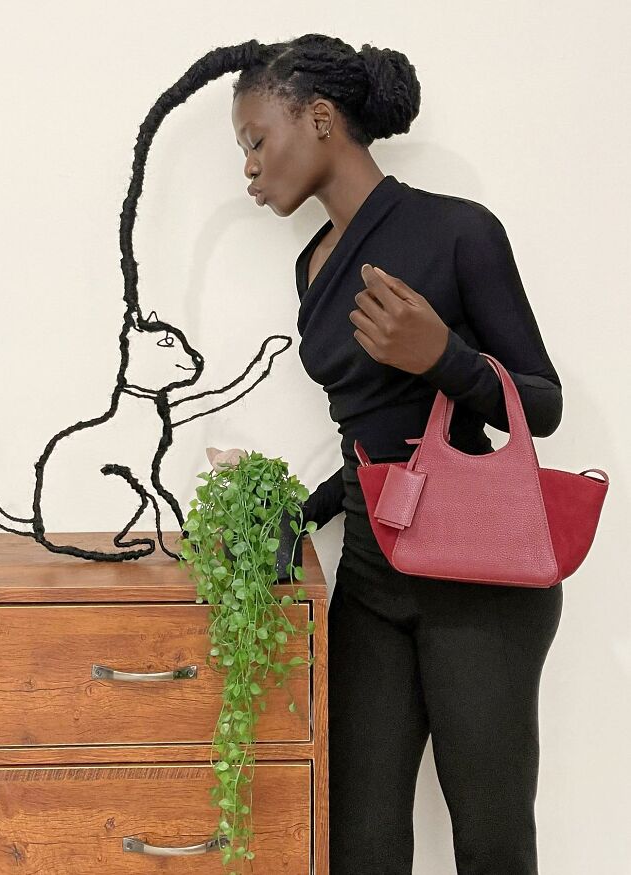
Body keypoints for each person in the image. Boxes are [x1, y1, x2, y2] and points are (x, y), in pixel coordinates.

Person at [231, 34, 563, 875]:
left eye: (256, 140)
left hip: (478, 586)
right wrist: (293, 507)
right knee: (358, 844)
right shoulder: (312, 266)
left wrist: (446, 357)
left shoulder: (458, 231)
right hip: (375, 580)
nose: (250, 168)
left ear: (320, 117)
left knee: (492, 845)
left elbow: (545, 403)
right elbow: (376, 436)